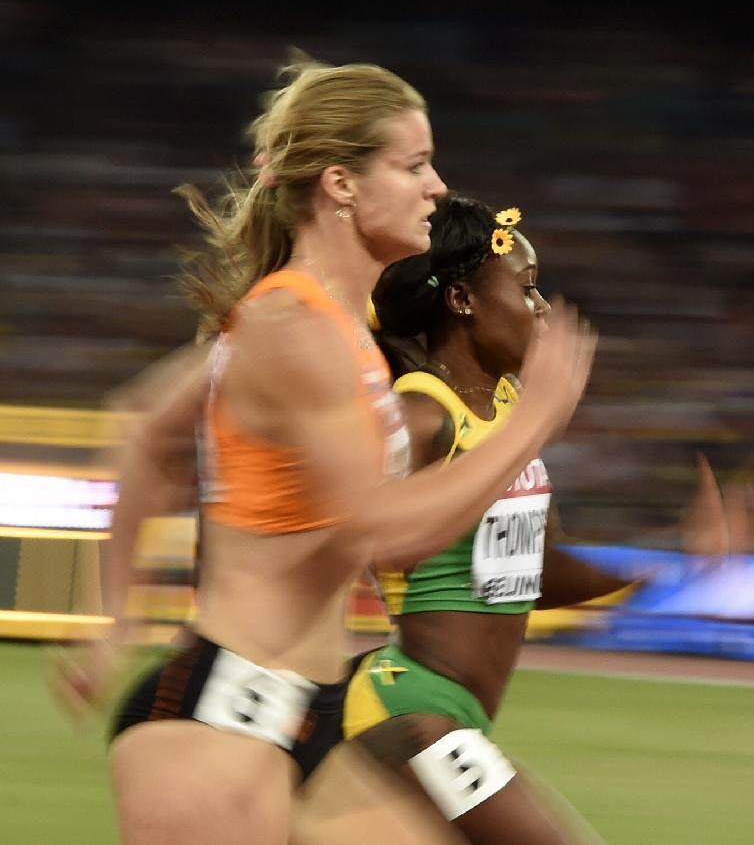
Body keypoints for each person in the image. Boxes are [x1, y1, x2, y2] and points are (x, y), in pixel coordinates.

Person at [55, 61, 597, 845]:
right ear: (341, 184)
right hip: (218, 718)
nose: (436, 185)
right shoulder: (294, 327)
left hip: (315, 713)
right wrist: (533, 420)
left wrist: (110, 618)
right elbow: (379, 530)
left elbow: (143, 430)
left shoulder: (339, 328)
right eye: (412, 166)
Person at [336, 194, 717, 844]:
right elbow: (362, 535)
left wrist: (673, 562)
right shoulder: (422, 415)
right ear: (462, 302)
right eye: (528, 289)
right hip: (408, 705)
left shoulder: (513, 408)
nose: (542, 309)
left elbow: (535, 571)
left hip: (456, 715)